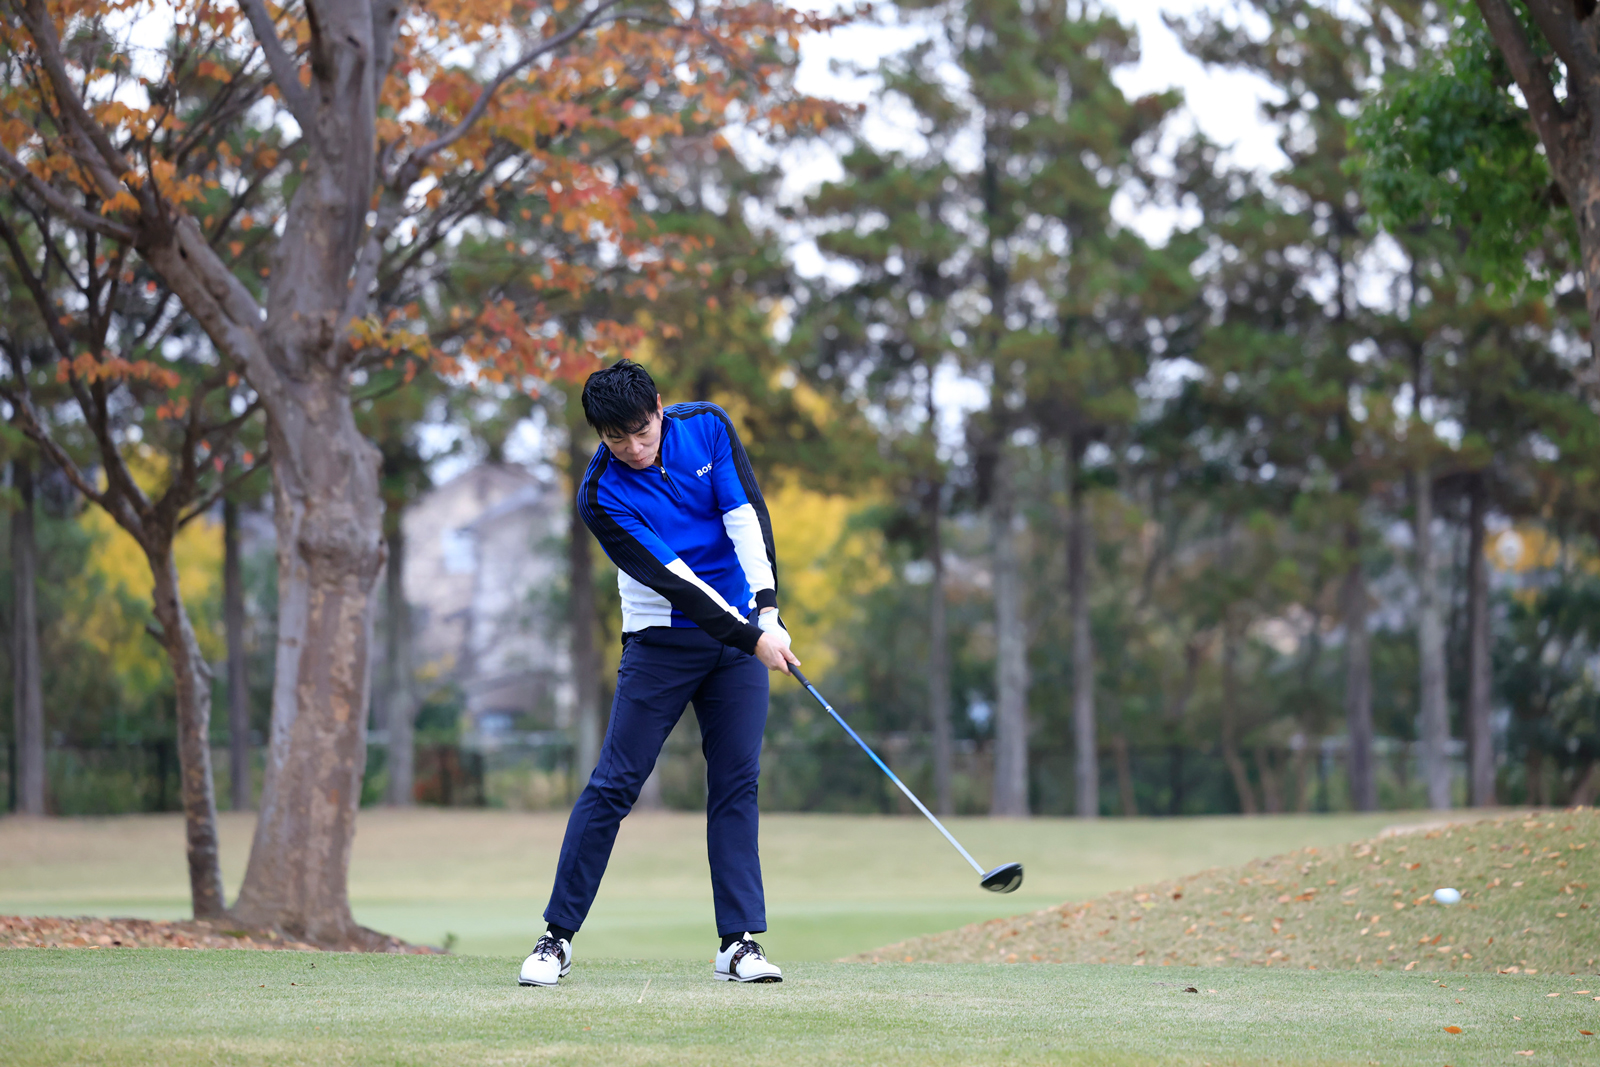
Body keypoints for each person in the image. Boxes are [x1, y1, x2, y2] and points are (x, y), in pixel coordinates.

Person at [519, 359, 801, 987]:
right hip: (662, 640)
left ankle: (739, 943)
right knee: (615, 783)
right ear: (600, 436)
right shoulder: (599, 495)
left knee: (737, 784)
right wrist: (752, 634)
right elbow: (677, 580)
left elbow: (745, 518)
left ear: (660, 409)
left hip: (742, 638)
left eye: (642, 433)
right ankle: (555, 939)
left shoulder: (707, 427)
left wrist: (768, 609)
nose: (634, 449)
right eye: (616, 439)